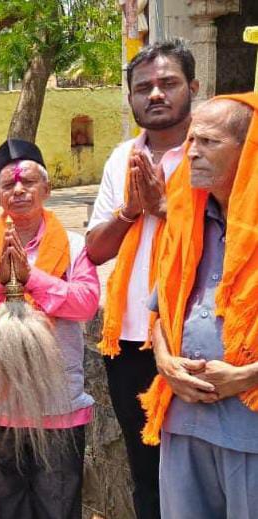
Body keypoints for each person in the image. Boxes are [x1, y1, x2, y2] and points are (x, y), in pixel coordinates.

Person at [0, 140, 99, 519]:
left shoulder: (74, 246)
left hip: (58, 407)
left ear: (46, 190)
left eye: (28, 182)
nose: (18, 190)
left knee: (59, 508)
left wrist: (32, 278)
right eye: (8, 185)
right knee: (5, 508)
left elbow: (84, 303)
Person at [85, 41, 198, 518]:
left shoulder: (217, 150)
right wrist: (132, 209)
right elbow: (95, 249)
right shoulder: (121, 158)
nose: (155, 94)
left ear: (193, 88)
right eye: (143, 87)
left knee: (202, 467)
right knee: (145, 467)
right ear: (130, 98)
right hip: (131, 339)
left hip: (197, 340)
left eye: (168, 83)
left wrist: (167, 207)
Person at [140, 93, 258, 518]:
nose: (192, 152)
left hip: (250, 427)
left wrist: (248, 375)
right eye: (191, 140)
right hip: (184, 420)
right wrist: (165, 361)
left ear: (249, 152)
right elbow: (160, 312)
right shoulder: (186, 219)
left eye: (208, 142)